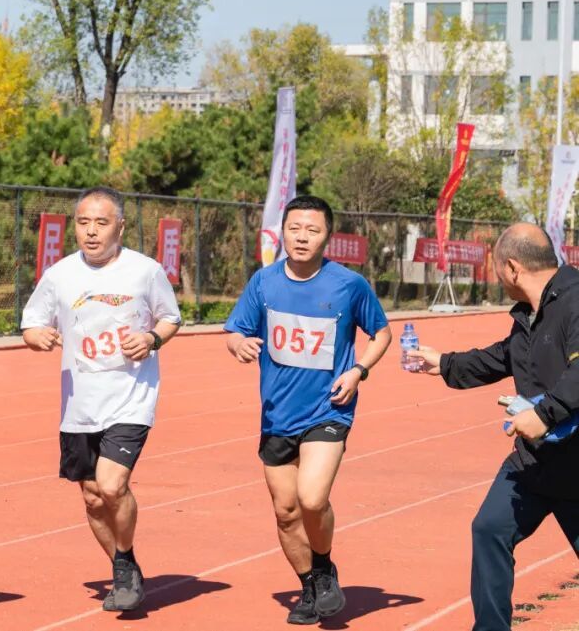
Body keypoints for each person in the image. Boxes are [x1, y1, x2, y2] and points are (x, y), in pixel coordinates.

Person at [224, 195, 391, 625]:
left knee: (312, 498)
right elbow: (235, 331)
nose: (302, 237)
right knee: (286, 512)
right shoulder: (264, 282)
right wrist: (238, 344)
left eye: (312, 230)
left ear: (327, 236)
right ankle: (310, 585)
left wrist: (358, 371)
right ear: (282, 232)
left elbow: (381, 333)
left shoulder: (348, 285)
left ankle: (323, 566)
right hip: (277, 414)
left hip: (328, 409)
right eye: (294, 228)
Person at [407, 223, 579, 631]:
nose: (497, 276)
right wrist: (446, 363)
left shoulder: (575, 301)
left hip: (576, 464)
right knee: (489, 530)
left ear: (513, 267)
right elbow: (506, 356)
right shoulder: (530, 312)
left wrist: (544, 414)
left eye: (497, 267)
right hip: (534, 462)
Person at [20, 186, 182, 612]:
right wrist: (37, 336)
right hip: (79, 404)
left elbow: (170, 317)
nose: (91, 231)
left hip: (131, 397)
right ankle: (124, 567)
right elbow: (31, 322)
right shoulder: (60, 275)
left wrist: (151, 339)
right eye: (83, 222)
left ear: (120, 227)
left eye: (101, 222)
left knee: (112, 485)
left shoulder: (145, 271)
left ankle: (124, 561)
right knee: (92, 497)